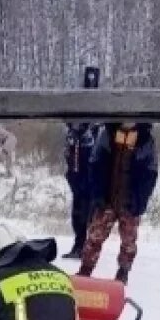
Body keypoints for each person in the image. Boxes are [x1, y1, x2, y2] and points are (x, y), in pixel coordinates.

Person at [76, 122, 159, 285]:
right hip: (107, 199)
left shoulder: (145, 139)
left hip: (130, 201)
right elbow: (95, 164)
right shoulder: (107, 134)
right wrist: (97, 194)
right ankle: (85, 270)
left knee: (129, 241)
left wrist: (140, 200)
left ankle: (123, 272)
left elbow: (150, 173)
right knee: (95, 236)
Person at [62, 67, 103, 259]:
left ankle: (86, 245)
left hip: (90, 167)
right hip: (76, 166)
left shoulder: (98, 120)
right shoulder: (75, 111)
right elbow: (68, 125)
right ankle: (79, 243)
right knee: (79, 207)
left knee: (90, 208)